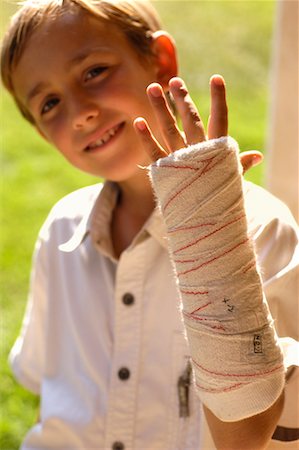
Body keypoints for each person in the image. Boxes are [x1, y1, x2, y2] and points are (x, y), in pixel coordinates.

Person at [1, 0, 298, 448]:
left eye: (94, 71)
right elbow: (52, 388)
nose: (80, 111)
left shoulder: (260, 229)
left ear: (160, 60)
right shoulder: (60, 230)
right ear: (43, 135)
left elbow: (252, 434)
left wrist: (208, 228)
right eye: (49, 103)